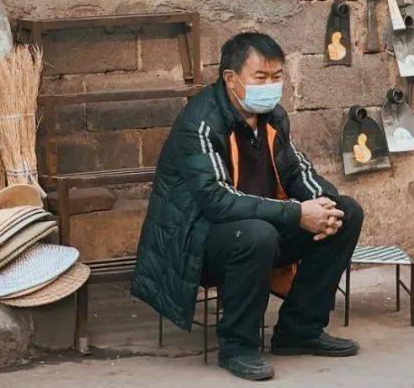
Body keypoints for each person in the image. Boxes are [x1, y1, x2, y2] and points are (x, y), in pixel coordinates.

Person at [132, 31, 363, 381]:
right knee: (257, 234)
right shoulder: (200, 123)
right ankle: (238, 346)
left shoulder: (272, 116)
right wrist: (297, 214)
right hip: (198, 244)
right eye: (260, 77)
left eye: (277, 77)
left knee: (347, 213)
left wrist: (325, 206)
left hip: (260, 227)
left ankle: (299, 330)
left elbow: (297, 169)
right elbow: (217, 201)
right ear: (231, 79)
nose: (270, 86)